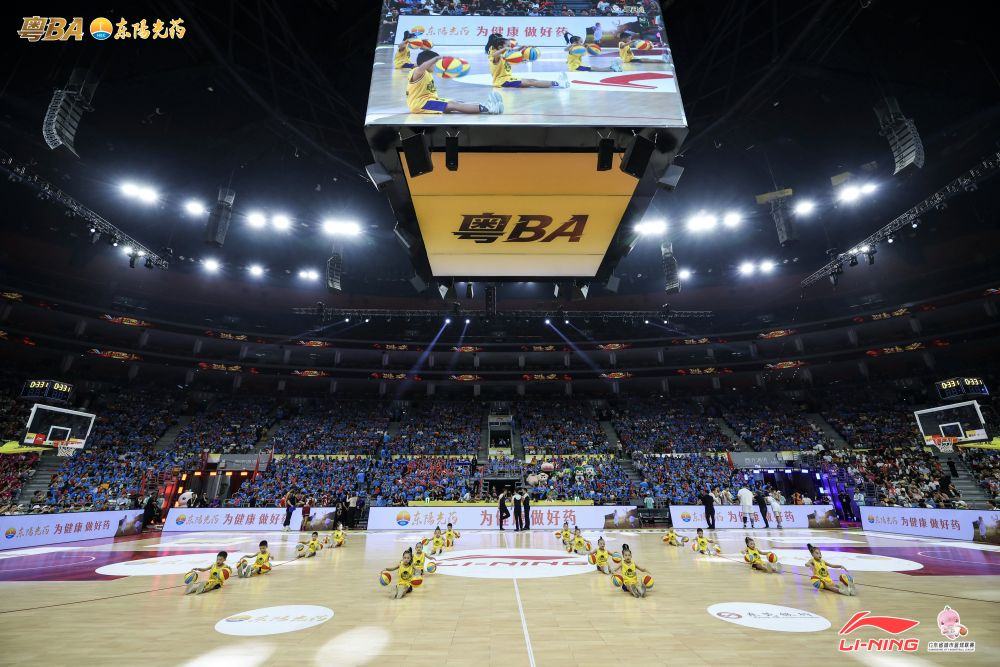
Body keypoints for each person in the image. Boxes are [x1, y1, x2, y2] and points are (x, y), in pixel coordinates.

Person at [406, 50, 504, 115]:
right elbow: (421, 67)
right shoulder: (417, 72)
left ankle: (484, 105)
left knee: (458, 102)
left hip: (429, 100)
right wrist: (435, 59)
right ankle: (487, 109)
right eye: (436, 63)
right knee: (453, 105)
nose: (438, 66)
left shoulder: (428, 73)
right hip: (421, 104)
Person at [487, 35, 568, 89]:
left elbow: (512, 53)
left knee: (532, 80)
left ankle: (556, 83)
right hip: (503, 81)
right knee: (531, 82)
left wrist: (522, 48)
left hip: (507, 79)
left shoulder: (504, 55)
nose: (510, 47)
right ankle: (558, 84)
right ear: (500, 47)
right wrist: (505, 49)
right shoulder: (495, 57)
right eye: (508, 46)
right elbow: (495, 55)